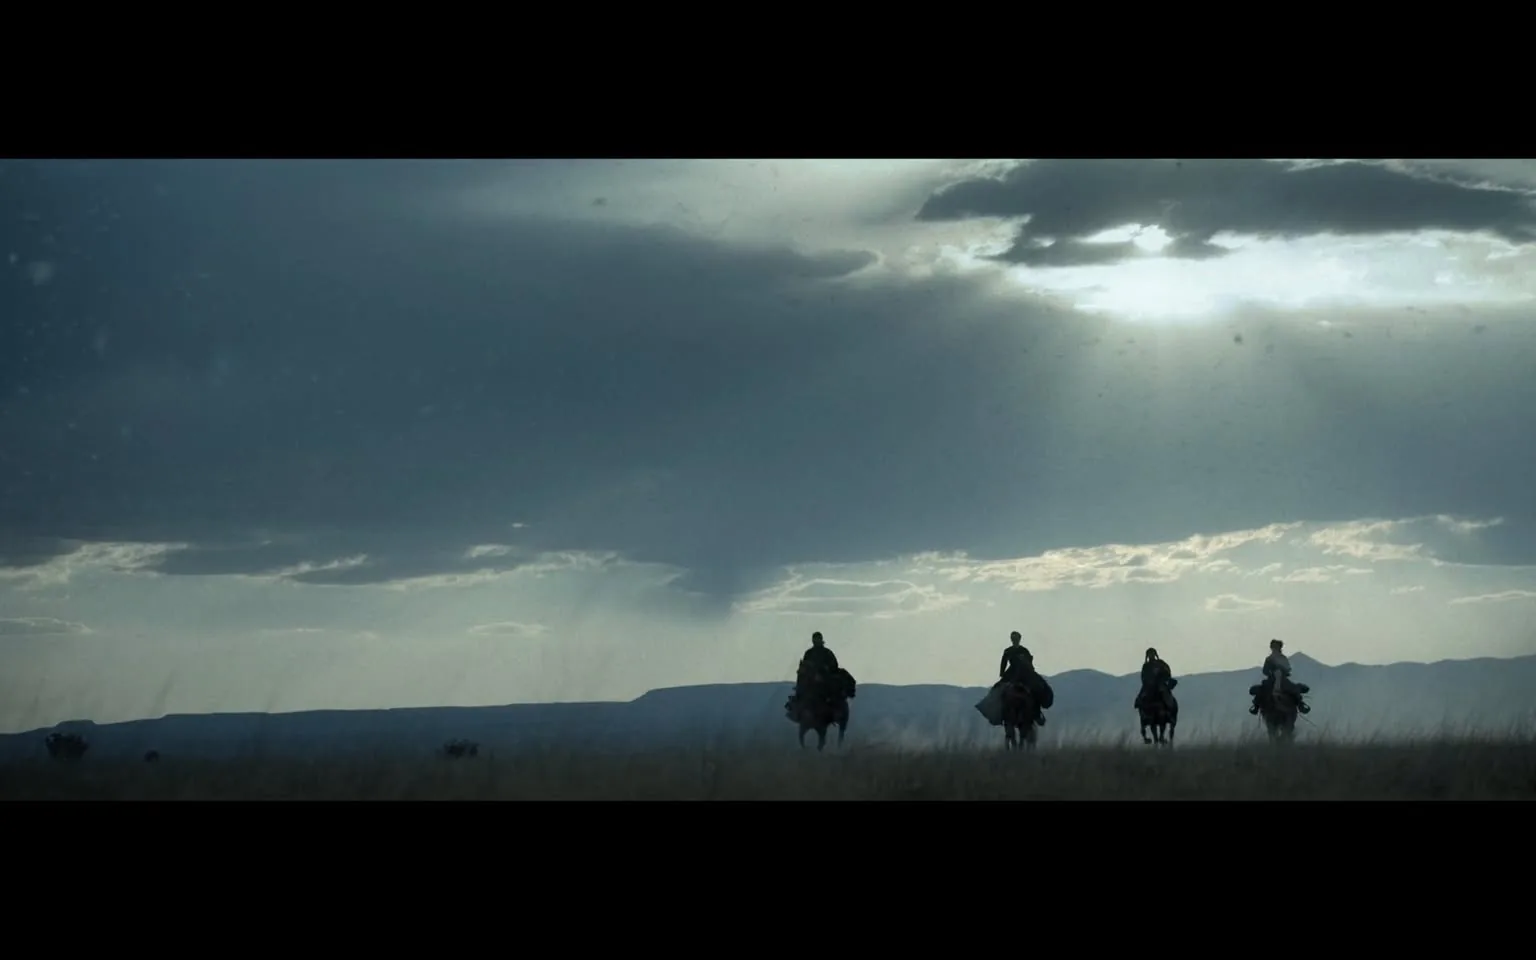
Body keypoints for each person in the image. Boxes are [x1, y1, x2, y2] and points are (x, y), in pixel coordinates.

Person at [998, 633, 1047, 727]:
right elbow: (1003, 663)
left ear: (1019, 639)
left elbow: (1030, 663)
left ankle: (1037, 713)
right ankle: (1002, 715)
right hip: (1011, 673)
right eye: (1013, 638)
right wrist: (1002, 673)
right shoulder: (1008, 651)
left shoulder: (1024, 650)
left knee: (1036, 688)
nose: (1015, 640)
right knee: (999, 690)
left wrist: (1030, 670)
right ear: (1011, 639)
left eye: (1016, 638)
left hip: (1024, 673)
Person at [1250, 638, 1310, 714]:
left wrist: (1283, 671)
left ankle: (1300, 704)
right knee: (1261, 691)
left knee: (1294, 689)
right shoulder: (1269, 659)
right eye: (1273, 647)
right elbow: (1265, 670)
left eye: (1276, 647)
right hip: (1271, 680)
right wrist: (1271, 673)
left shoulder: (1283, 658)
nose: (1274, 649)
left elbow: (1288, 668)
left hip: (1282, 680)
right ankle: (1256, 706)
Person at [792, 631, 840, 705]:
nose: (816, 641)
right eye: (815, 639)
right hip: (811, 679)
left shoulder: (827, 653)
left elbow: (834, 666)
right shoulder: (809, 653)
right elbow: (804, 666)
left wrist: (825, 669)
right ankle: (798, 698)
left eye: (818, 639)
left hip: (825, 679)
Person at [1135, 647, 1176, 713]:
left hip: (1160, 683)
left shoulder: (1160, 663)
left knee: (1166, 694)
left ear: (1155, 654)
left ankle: (1170, 710)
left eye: (1152, 654)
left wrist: (1164, 677)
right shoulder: (1146, 666)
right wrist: (1147, 682)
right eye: (1149, 654)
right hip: (1149, 685)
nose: (1151, 655)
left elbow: (1167, 671)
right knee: (1142, 696)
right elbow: (1143, 676)